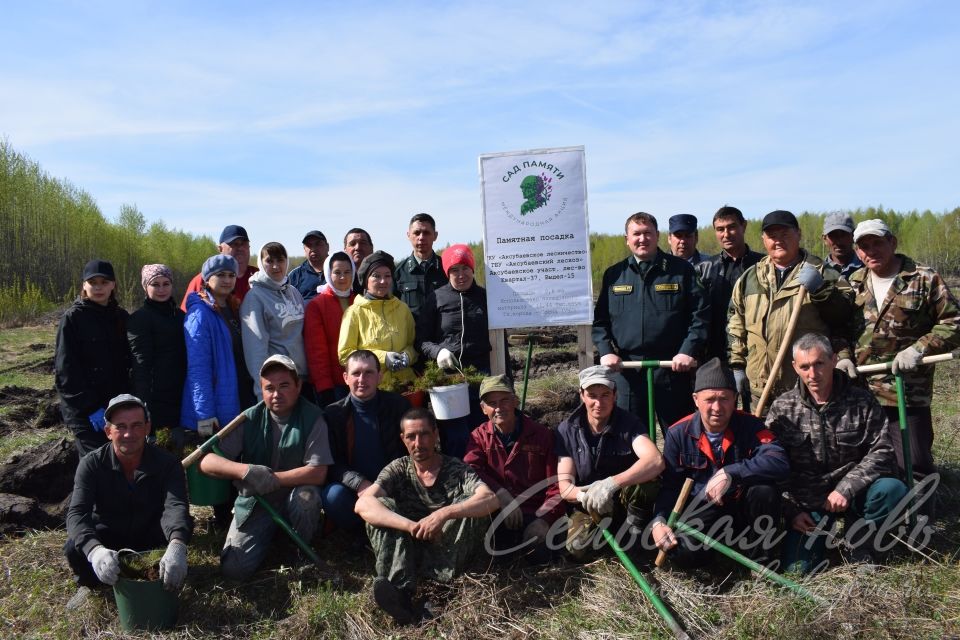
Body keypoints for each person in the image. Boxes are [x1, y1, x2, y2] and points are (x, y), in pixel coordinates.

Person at [766, 333, 907, 573]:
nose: (813, 374)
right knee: (798, 570)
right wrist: (791, 511)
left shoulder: (861, 401)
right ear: (794, 368)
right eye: (805, 367)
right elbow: (771, 465)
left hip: (855, 494)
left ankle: (860, 543)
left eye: (819, 363)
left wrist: (846, 487)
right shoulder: (782, 408)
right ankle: (819, 537)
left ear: (833, 360)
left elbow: (882, 450)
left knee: (891, 490)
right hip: (808, 501)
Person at [848, 219, 960, 514]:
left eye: (877, 243)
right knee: (867, 460)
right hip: (860, 392)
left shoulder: (923, 278)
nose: (871, 251)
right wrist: (841, 354)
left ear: (893, 243)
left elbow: (954, 323)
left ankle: (921, 524)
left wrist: (919, 348)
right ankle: (879, 521)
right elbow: (837, 327)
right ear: (858, 251)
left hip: (907, 391)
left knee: (915, 460)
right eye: (864, 246)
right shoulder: (852, 282)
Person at [355, 407, 499, 625]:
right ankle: (400, 591)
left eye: (423, 434)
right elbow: (363, 503)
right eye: (411, 436)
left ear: (435, 435)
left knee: (470, 507)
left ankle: (439, 589)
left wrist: (444, 513)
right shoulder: (398, 468)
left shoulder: (456, 469)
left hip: (447, 546)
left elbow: (490, 499)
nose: (418, 442)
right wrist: (411, 526)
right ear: (403, 439)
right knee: (380, 506)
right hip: (409, 546)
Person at [198, 355, 333, 580]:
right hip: (257, 503)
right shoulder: (248, 418)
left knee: (307, 498)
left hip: (294, 496)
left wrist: (274, 479)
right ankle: (271, 535)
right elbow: (206, 461)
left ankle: (299, 549)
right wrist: (246, 472)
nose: (276, 394)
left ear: (298, 386)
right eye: (269, 388)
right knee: (233, 570)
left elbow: (318, 472)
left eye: (284, 386)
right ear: (261, 390)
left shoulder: (314, 417)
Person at [651, 358, 789, 567]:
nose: (717, 407)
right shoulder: (677, 433)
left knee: (764, 490)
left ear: (735, 399)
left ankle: (761, 561)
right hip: (703, 509)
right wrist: (659, 521)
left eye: (724, 399)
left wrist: (732, 472)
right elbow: (670, 486)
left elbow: (778, 461)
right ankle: (717, 554)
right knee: (682, 555)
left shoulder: (751, 425)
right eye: (710, 399)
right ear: (696, 399)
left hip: (743, 507)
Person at [64, 394, 192, 610]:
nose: (128, 434)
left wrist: (177, 544)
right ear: (108, 432)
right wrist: (95, 550)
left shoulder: (168, 464)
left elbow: (176, 506)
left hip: (151, 533)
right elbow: (77, 513)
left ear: (147, 428)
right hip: (110, 534)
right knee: (74, 549)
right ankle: (90, 586)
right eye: (120, 426)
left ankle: (163, 574)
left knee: (181, 531)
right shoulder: (91, 464)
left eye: (136, 425)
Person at [727, 210, 857, 414]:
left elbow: (843, 317)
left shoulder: (824, 274)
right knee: (764, 444)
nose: (778, 241)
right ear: (763, 239)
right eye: (772, 236)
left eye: (785, 235)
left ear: (799, 234)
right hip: (759, 391)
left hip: (806, 390)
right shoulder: (750, 279)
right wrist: (736, 366)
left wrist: (821, 290)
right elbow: (736, 325)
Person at [592, 212, 709, 432]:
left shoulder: (681, 271)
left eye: (648, 233)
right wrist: (606, 350)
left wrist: (687, 351)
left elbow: (700, 316)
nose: (642, 239)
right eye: (636, 234)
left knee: (680, 435)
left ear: (657, 236)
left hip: (672, 369)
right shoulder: (614, 275)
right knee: (632, 437)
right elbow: (600, 322)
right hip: (628, 371)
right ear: (627, 239)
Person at [555, 366, 665, 559]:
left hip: (624, 499)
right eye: (592, 395)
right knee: (577, 548)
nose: (599, 402)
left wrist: (611, 484)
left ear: (615, 395)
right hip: (590, 506)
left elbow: (655, 460)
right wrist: (584, 496)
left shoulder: (629, 423)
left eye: (605, 394)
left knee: (648, 480)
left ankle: (635, 529)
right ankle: (610, 537)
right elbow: (564, 487)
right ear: (582, 395)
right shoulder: (567, 430)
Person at [463, 375, 563, 563]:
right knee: (489, 558)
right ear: (483, 409)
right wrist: (501, 495)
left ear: (515, 401)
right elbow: (470, 470)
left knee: (539, 556)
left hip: (534, 513)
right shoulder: (479, 437)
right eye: (492, 403)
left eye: (504, 400)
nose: (499, 408)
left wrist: (544, 520)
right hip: (496, 514)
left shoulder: (541, 435)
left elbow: (556, 486)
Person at [321, 349, 410, 531]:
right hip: (355, 491)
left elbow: (409, 453)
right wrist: (359, 483)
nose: (362, 379)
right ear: (345, 378)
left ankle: (390, 527)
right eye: (356, 373)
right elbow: (332, 463)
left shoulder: (398, 406)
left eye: (369, 372)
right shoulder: (333, 414)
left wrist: (383, 485)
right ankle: (361, 535)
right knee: (333, 496)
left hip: (393, 486)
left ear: (379, 376)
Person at [415, 243, 491, 456]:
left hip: (481, 377)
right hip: (449, 381)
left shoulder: (486, 298)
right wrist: (438, 351)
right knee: (455, 436)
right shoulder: (436, 298)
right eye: (454, 270)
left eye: (465, 268)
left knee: (481, 433)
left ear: (473, 269)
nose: (460, 275)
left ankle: (483, 481)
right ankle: (456, 480)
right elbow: (421, 340)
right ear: (447, 272)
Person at [55, 259, 131, 456]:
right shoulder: (73, 319)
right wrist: (90, 408)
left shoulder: (121, 318)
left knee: (118, 460)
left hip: (115, 406)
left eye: (104, 282)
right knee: (96, 463)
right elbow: (66, 371)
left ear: (113, 285)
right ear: (84, 285)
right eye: (93, 282)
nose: (98, 288)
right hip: (85, 411)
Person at [182, 255, 254, 438]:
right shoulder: (199, 314)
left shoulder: (234, 308)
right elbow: (198, 369)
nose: (227, 280)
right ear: (207, 279)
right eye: (221, 275)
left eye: (231, 275)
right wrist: (205, 414)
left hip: (239, 394)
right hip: (217, 404)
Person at [338, 251, 417, 390]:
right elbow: (345, 353)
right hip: (374, 389)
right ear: (365, 280)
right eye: (376, 276)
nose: (383, 281)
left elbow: (413, 345)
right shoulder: (354, 313)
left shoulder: (403, 309)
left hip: (407, 386)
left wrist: (407, 357)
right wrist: (383, 358)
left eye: (387, 276)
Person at [240, 242, 308, 401]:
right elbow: (255, 351)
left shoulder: (293, 292)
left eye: (280, 260)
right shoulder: (254, 297)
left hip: (301, 380)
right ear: (261, 263)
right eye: (270, 261)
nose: (276, 266)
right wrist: (263, 393)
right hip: (278, 385)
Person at [695, 206, 764, 362]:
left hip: (755, 352)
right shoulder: (703, 269)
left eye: (731, 227)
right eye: (720, 229)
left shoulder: (763, 266)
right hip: (714, 354)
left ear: (744, 226)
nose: (726, 234)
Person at [127, 264, 186, 436]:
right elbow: (140, 364)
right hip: (156, 398)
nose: (162, 289)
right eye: (155, 284)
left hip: (181, 394)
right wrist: (144, 404)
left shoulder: (181, 316)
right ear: (145, 287)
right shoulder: (139, 319)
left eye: (166, 283)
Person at [304, 251, 357, 405]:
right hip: (335, 383)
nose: (342, 277)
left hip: (359, 378)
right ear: (328, 273)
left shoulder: (359, 301)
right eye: (337, 272)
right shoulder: (317, 305)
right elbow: (316, 350)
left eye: (347, 272)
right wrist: (324, 386)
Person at [180, 225, 258, 310]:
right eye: (234, 244)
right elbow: (187, 315)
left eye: (244, 244)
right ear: (220, 249)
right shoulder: (203, 279)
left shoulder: (258, 277)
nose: (240, 248)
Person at [394, 213, 448, 320]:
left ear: (435, 235)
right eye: (417, 233)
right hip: (411, 335)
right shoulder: (398, 272)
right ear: (408, 235)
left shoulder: (447, 269)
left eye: (426, 233)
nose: (421, 237)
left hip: (441, 335)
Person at [287, 230, 329, 302]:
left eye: (317, 244)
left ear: (327, 247)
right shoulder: (295, 275)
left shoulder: (340, 270)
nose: (313, 249)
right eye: (309, 245)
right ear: (304, 250)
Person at [822, 212, 863, 279]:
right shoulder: (817, 273)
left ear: (854, 236)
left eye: (844, 235)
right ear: (824, 239)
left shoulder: (868, 268)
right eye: (833, 235)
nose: (839, 242)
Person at [344, 228, 374, 294]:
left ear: (371, 248)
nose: (357, 247)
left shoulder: (384, 276)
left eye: (363, 243)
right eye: (352, 244)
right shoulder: (339, 279)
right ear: (345, 250)